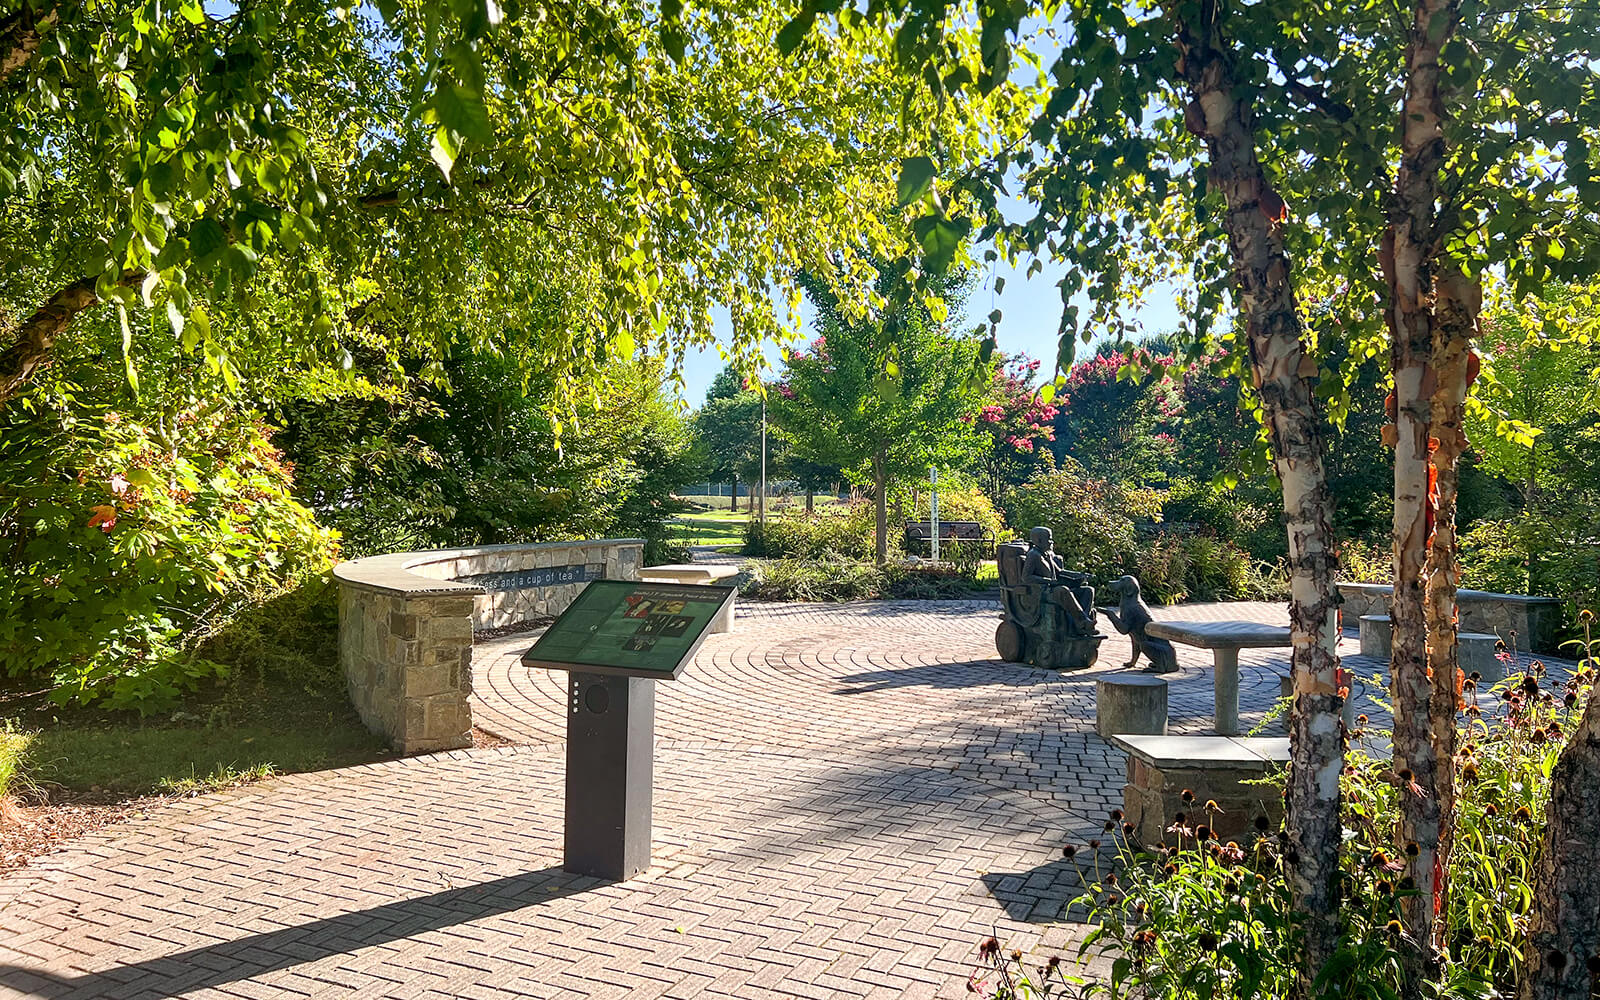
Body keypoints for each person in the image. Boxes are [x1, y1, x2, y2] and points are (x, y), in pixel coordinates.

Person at [1021, 526, 1095, 635]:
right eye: (1049, 539)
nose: (1051, 542)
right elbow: (1026, 577)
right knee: (1063, 590)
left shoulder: (1047, 554)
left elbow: (1060, 571)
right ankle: (1082, 622)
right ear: (1039, 540)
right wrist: (1048, 581)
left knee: (1088, 590)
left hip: (1053, 588)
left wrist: (1080, 575)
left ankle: (1082, 623)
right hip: (1043, 591)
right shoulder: (1033, 555)